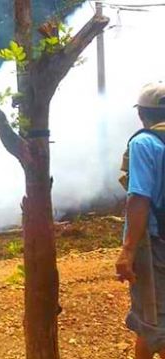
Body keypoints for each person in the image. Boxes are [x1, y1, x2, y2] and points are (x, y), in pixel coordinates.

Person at [116, 82, 165, 358]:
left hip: (155, 247)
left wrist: (127, 251)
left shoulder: (144, 142)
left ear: (142, 115)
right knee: (148, 323)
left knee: (155, 325)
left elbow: (139, 199)